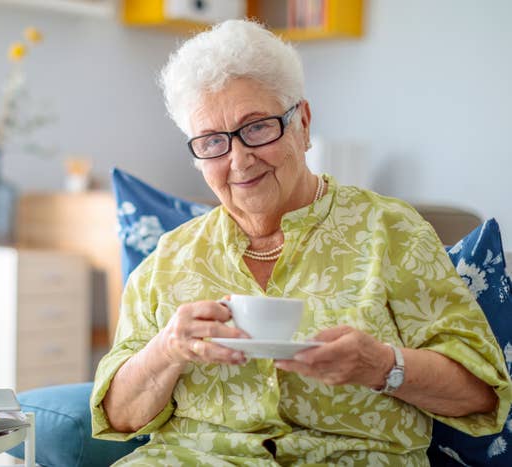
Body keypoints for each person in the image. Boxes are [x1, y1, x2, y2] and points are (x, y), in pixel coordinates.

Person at [91, 19, 511, 465]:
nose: (238, 159)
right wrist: (165, 351)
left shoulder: (391, 231)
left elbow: (480, 393)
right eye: (213, 141)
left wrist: (383, 366)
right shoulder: (170, 258)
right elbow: (119, 417)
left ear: (303, 124)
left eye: (256, 128)